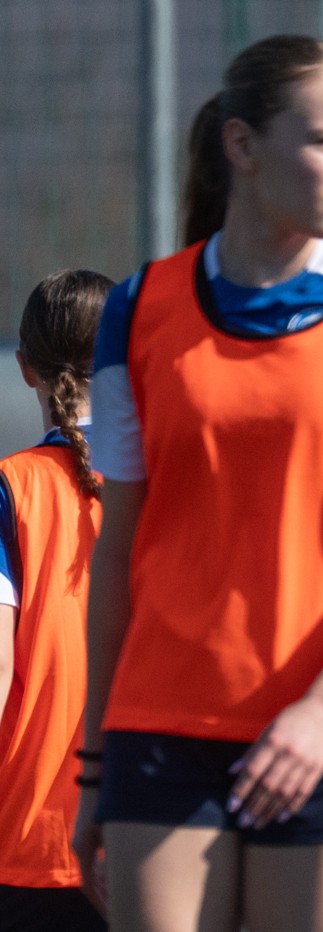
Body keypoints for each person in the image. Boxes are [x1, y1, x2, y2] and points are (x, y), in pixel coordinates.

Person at [71, 34, 323, 931]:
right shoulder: (139, 310)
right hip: (163, 726)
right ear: (242, 146)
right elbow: (119, 552)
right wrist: (94, 765)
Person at [0, 269, 113, 932]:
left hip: (30, 842)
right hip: (149, 831)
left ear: (25, 369)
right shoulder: (168, 485)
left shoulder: (13, 489)